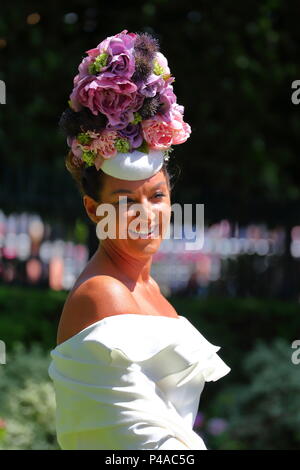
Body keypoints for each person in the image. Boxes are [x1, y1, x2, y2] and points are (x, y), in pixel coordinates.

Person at [48, 29, 231, 450]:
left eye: (158, 196)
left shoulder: (147, 288)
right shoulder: (102, 296)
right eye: (127, 201)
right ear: (95, 210)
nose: (146, 215)